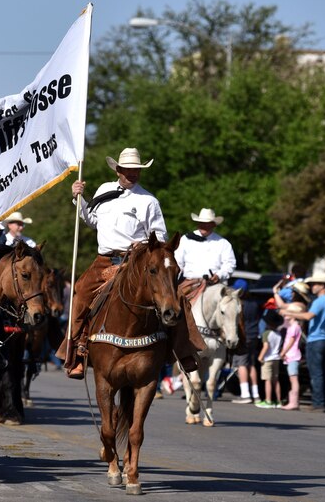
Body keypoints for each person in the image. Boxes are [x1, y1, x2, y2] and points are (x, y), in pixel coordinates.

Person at [56, 147, 204, 379]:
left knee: (175, 297)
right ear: (118, 170)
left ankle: (184, 351)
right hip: (104, 260)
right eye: (128, 170)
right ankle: (77, 348)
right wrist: (79, 199)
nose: (133, 174)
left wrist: (143, 245)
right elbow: (92, 220)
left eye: (137, 170)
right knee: (81, 292)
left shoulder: (148, 201)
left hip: (136, 261)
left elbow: (161, 238)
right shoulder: (104, 190)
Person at [281, 271, 325, 413]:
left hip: (316, 340)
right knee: (323, 373)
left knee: (316, 373)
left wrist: (290, 313)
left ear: (322, 285)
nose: (311, 287)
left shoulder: (320, 301)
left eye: (314, 284)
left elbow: (308, 316)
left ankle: (318, 404)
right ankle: (322, 403)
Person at [174, 208, 236, 285]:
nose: (204, 225)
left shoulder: (223, 243)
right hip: (189, 283)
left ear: (213, 224)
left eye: (207, 223)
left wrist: (219, 275)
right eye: (201, 222)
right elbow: (177, 262)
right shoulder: (186, 239)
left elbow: (230, 264)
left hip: (214, 285)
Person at [230, 279, 262, 403]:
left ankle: (245, 394)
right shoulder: (254, 303)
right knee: (251, 365)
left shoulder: (239, 304)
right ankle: (256, 394)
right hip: (254, 335)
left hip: (244, 336)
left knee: (241, 364)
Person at [256, 309, 285, 408]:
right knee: (276, 380)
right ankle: (278, 401)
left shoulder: (266, 333)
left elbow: (266, 346)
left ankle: (268, 400)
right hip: (276, 358)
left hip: (268, 358)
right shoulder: (279, 334)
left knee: (267, 380)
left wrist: (260, 357)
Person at [279, 303, 304, 410]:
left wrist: (283, 352)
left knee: (293, 379)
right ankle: (293, 401)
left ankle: (293, 402)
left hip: (292, 355)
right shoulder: (292, 326)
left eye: (288, 314)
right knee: (292, 378)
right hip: (291, 355)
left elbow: (291, 341)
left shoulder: (294, 327)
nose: (285, 315)